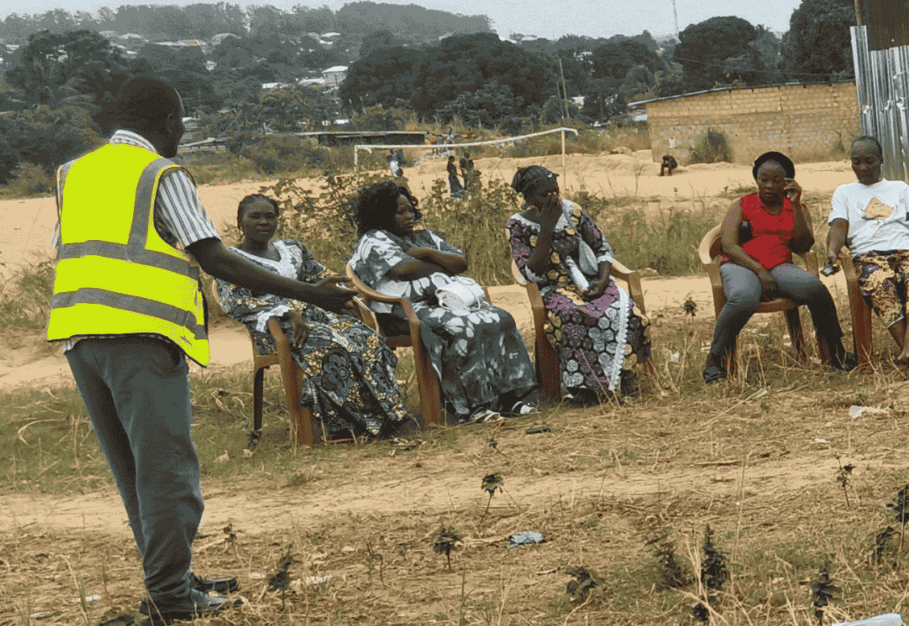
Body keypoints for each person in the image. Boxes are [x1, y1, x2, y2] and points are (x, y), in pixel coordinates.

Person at [49, 78, 362, 624]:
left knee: (133, 471)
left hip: (79, 334)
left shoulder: (72, 173)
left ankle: (169, 574)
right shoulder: (159, 173)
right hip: (139, 335)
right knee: (167, 471)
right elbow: (214, 257)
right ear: (169, 120)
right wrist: (314, 293)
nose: (183, 132)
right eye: (182, 123)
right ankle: (170, 596)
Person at [213, 193, 410, 441]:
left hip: (319, 318)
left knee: (365, 338)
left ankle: (386, 416)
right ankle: (349, 425)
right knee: (332, 345)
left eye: (269, 216)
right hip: (276, 328)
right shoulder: (231, 261)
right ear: (240, 222)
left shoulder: (292, 250)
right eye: (255, 216)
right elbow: (237, 302)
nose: (263, 222)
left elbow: (319, 278)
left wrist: (343, 299)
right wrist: (287, 313)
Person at [350, 180, 541, 422]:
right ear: (382, 214)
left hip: (445, 302)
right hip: (405, 312)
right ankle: (471, 407)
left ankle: (508, 398)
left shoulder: (424, 237)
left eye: (411, 209)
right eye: (401, 212)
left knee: (500, 318)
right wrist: (440, 265)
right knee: (461, 327)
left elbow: (460, 263)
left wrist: (428, 253)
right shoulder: (373, 239)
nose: (410, 216)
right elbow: (403, 269)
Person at [507, 165, 652, 403]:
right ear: (529, 197)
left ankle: (624, 377)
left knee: (623, 311)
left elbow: (602, 248)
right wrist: (546, 229)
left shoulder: (573, 211)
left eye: (556, 191)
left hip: (592, 282)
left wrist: (603, 281)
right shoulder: (517, 225)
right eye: (545, 195)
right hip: (553, 288)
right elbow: (532, 274)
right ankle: (585, 389)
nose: (554, 198)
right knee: (572, 315)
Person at [705, 150, 850, 378]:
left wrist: (795, 205)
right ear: (756, 179)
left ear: (787, 182)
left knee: (815, 288)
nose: (769, 185)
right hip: (742, 266)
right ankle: (715, 359)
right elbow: (729, 246)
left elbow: (803, 244)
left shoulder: (796, 208)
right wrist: (760, 271)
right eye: (763, 179)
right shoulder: (742, 205)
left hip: (779, 267)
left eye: (776, 180)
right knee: (744, 297)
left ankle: (836, 350)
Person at [825, 135, 909, 371]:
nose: (863, 168)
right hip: (868, 256)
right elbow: (838, 227)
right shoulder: (845, 192)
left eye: (869, 161)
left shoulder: (899, 188)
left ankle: (908, 350)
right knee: (879, 282)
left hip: (905, 252)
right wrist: (833, 250)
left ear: (881, 160)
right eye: (856, 162)